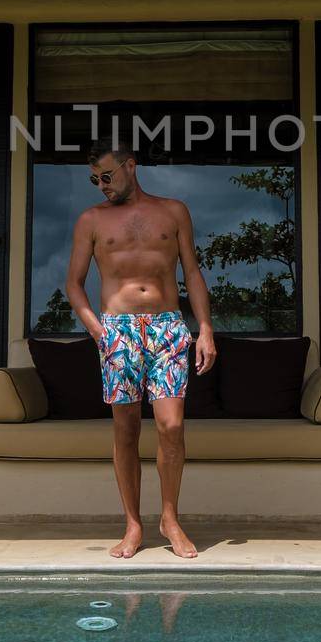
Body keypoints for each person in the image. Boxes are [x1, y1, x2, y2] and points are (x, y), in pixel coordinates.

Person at [65, 138, 216, 559]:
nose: (101, 185)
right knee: (126, 429)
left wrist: (204, 329)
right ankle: (133, 524)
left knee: (170, 427)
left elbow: (192, 271)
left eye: (107, 175)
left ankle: (170, 518)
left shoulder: (173, 212)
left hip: (168, 326)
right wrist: (100, 332)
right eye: (95, 179)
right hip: (117, 330)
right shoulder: (91, 220)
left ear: (131, 166)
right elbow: (73, 285)